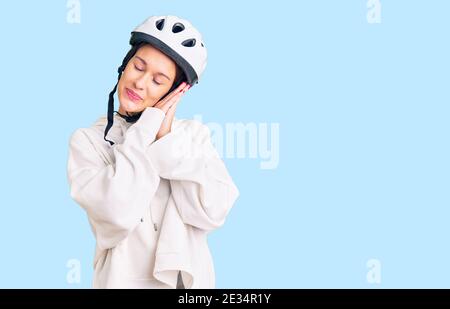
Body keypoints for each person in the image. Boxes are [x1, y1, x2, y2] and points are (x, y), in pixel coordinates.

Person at [66, 15, 239, 289]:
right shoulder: (88, 141)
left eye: (159, 81)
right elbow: (116, 214)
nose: (140, 83)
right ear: (123, 66)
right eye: (138, 67)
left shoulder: (192, 136)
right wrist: (145, 129)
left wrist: (165, 138)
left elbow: (211, 212)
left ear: (174, 92)